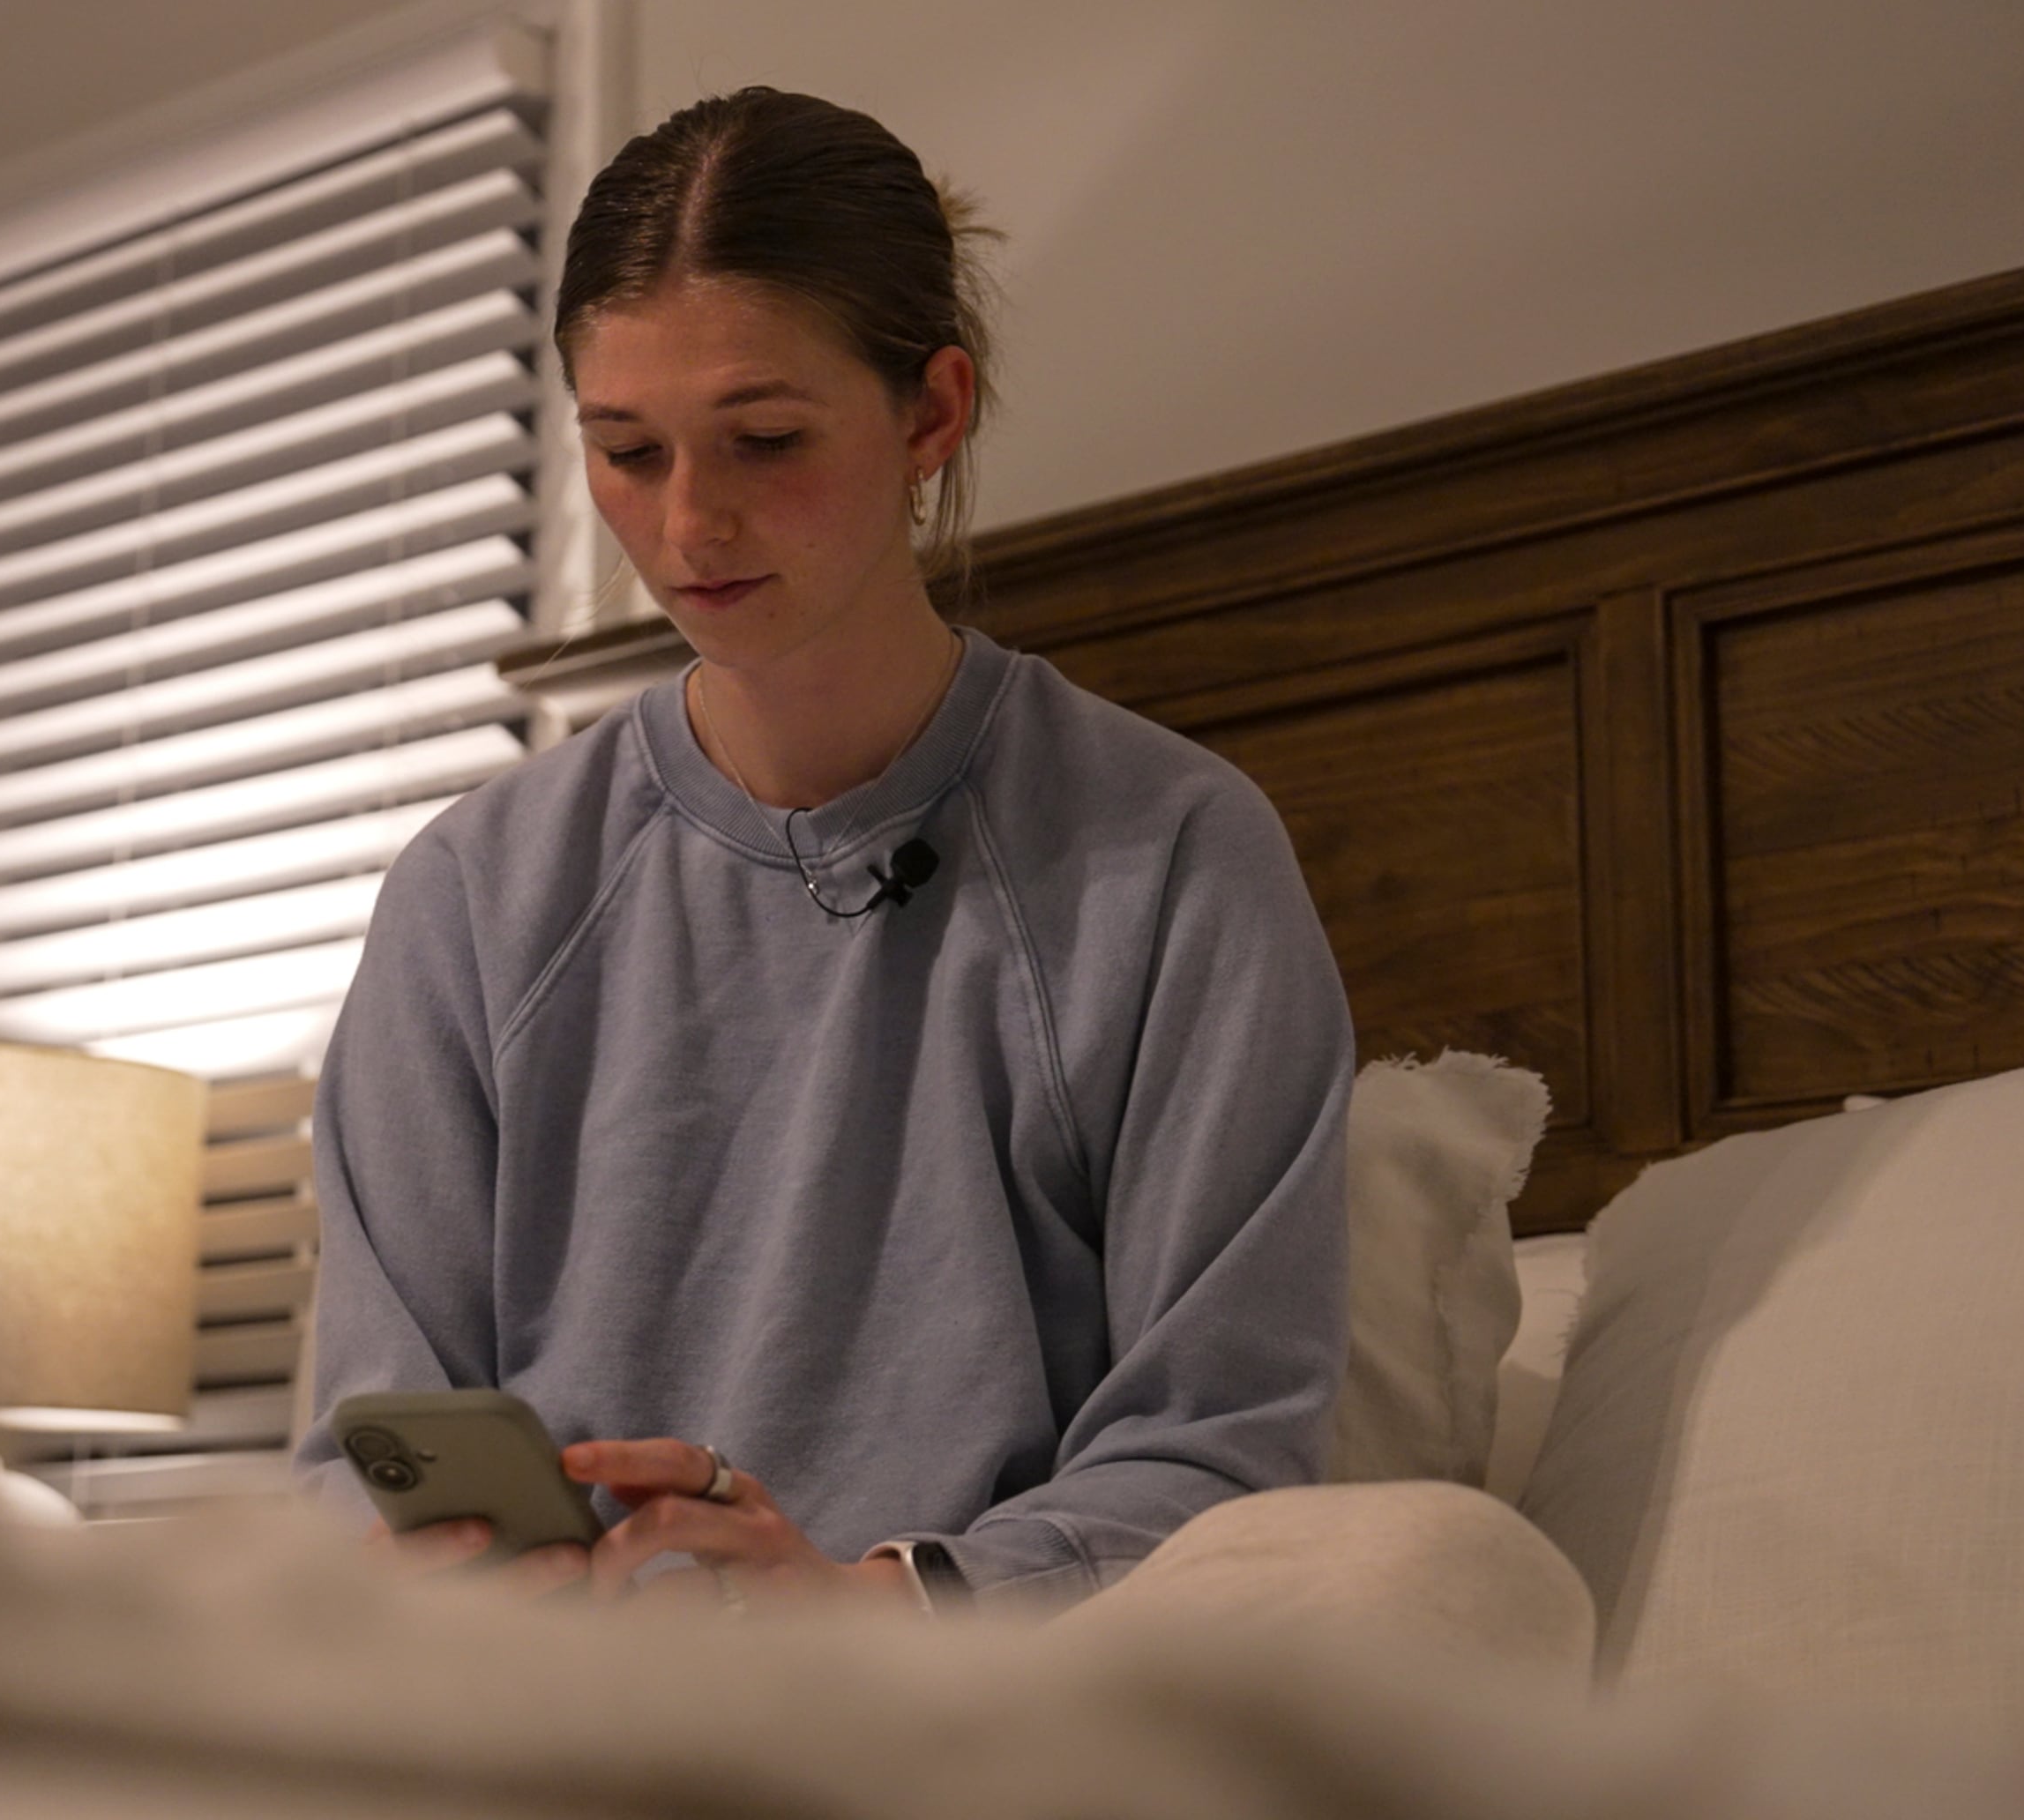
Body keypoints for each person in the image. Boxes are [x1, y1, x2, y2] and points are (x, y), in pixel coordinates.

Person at [293, 87, 1356, 1615]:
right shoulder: (473, 894)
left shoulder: (1173, 860)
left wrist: (865, 1607)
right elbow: (361, 1450)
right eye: (628, 450)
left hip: (958, 1724)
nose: (689, 524)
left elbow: (1221, 1454)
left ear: (933, 412)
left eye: (764, 439)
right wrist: (448, 1578)